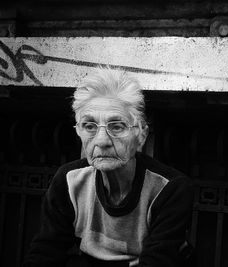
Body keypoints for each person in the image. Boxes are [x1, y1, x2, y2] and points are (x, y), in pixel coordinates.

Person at [24, 68, 194, 267]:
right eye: (89, 126)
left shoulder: (169, 189)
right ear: (78, 132)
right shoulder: (69, 181)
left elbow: (158, 260)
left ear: (141, 135)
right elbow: (45, 253)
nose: (102, 141)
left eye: (117, 126)